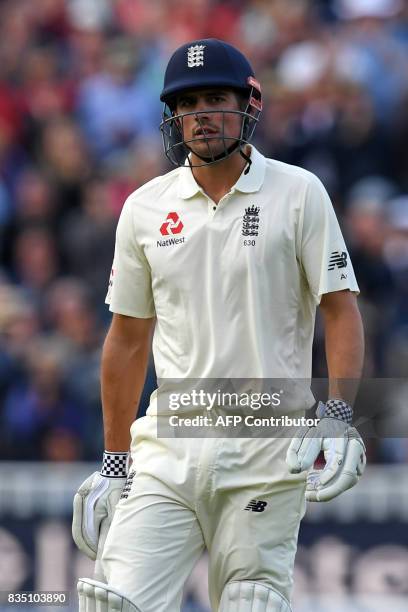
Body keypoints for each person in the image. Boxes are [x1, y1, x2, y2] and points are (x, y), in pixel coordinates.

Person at [72, 39, 366, 612]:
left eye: (214, 99)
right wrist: (114, 462)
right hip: (167, 450)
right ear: (172, 118)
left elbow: (340, 309)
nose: (200, 115)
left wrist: (338, 417)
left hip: (267, 448)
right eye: (186, 104)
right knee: (112, 603)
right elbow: (128, 342)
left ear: (247, 105)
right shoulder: (144, 208)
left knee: (250, 602)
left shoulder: (299, 193)